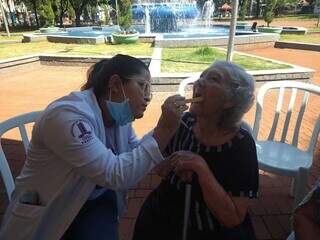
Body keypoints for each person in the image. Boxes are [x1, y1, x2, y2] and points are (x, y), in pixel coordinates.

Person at [0, 54, 188, 240]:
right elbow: (116, 175)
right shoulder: (67, 116)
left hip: (93, 201)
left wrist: (160, 160)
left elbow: (133, 153)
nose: (147, 97)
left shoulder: (119, 117)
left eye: (150, 89)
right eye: (142, 86)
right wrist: (164, 128)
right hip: (53, 206)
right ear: (114, 84)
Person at [133, 61, 259, 240]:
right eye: (201, 76)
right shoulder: (184, 122)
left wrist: (200, 169)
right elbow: (160, 170)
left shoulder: (241, 145)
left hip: (210, 230)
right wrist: (165, 126)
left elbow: (233, 218)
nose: (199, 82)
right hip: (161, 218)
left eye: (213, 78)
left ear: (231, 100)